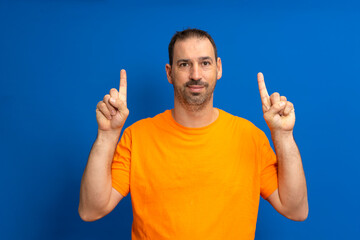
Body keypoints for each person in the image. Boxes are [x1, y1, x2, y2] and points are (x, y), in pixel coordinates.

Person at [78, 29, 308, 240]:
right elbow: (91, 210)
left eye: (205, 63)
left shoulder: (250, 137)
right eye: (184, 64)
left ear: (219, 68)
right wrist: (107, 135)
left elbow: (295, 209)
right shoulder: (136, 137)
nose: (195, 74)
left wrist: (284, 136)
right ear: (169, 73)